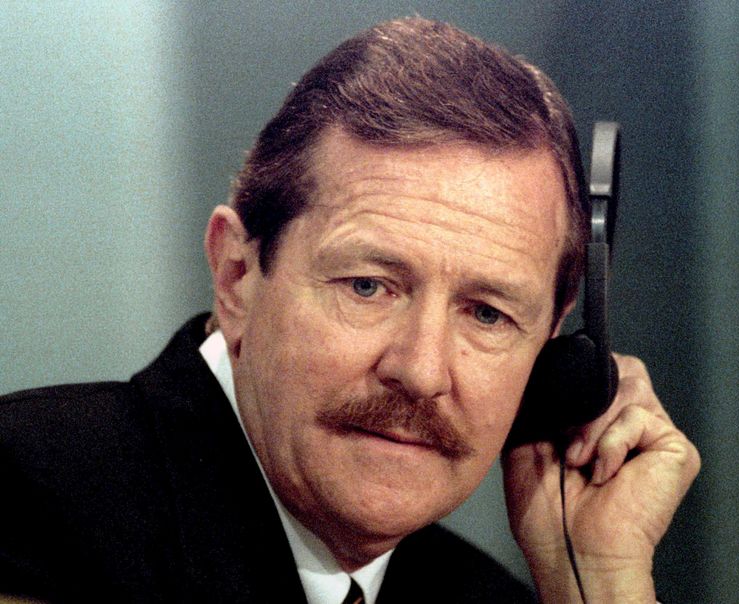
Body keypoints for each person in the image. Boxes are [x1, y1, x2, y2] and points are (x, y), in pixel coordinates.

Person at [0, 17, 699, 604]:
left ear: (553, 354)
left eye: (486, 314)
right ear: (237, 276)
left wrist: (600, 585)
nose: (422, 371)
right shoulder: (27, 496)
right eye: (369, 286)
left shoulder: (489, 597)